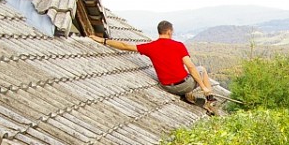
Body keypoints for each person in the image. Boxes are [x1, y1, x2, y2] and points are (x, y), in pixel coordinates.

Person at [88, 21, 217, 114]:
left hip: (167, 86)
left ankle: (188, 95)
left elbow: (124, 45)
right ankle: (210, 100)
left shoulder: (150, 47)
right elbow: (191, 67)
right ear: (169, 31)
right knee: (202, 70)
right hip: (184, 85)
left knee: (186, 78)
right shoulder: (178, 45)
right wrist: (204, 87)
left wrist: (103, 40)